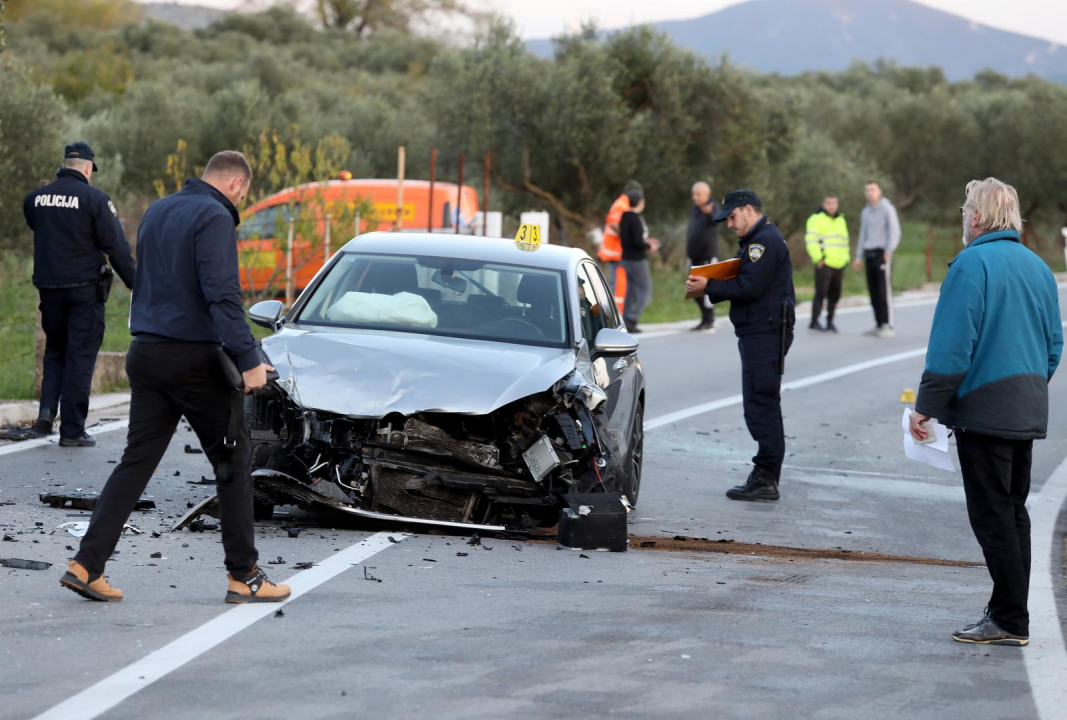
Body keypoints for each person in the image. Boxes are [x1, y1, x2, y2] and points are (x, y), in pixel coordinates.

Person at [61, 151, 290, 605]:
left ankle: (86, 565)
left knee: (136, 462)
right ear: (238, 184)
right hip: (194, 360)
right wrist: (249, 359)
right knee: (233, 462)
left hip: (145, 353)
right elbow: (222, 294)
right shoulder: (216, 215)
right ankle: (244, 575)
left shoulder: (158, 210)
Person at [910, 178, 1062, 647]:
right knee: (1014, 513)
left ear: (976, 217)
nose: (962, 218)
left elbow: (952, 350)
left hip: (985, 411)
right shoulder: (1039, 267)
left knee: (993, 516)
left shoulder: (971, 264)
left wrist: (925, 408)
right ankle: (1008, 610)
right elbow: (1054, 346)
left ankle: (1012, 619)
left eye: (964, 210)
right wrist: (1028, 387)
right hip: (1026, 406)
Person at [17, 142, 136, 447]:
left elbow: (39, 227)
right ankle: (72, 430)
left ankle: (45, 419)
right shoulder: (95, 200)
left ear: (64, 164)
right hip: (84, 291)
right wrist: (137, 282)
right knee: (80, 356)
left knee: (55, 352)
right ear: (87, 168)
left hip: (49, 290)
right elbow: (116, 248)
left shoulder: (36, 199)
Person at [686, 190, 795, 502]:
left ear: (749, 210)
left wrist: (710, 285)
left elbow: (750, 285)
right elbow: (748, 278)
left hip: (766, 331)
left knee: (762, 403)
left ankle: (766, 478)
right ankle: (764, 475)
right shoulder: (758, 240)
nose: (730, 225)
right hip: (759, 331)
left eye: (733, 217)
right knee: (758, 403)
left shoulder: (764, 242)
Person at [853, 181, 900, 338]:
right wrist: (858, 256)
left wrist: (888, 250)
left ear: (879, 191)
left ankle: (888, 324)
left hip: (882, 253)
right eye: (867, 190)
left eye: (873, 189)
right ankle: (879, 324)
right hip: (869, 253)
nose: (870, 193)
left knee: (883, 290)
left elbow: (894, 231)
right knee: (873, 291)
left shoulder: (887, 208)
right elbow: (863, 234)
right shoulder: (865, 212)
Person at [805, 194, 850, 333]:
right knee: (821, 292)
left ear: (837, 204)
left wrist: (846, 258)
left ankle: (830, 321)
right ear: (823, 204)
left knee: (835, 294)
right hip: (824, 262)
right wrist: (818, 258)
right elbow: (811, 240)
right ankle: (814, 321)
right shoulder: (815, 219)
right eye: (828, 203)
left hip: (839, 263)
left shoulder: (841, 219)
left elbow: (844, 240)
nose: (831, 206)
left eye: (834, 203)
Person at [618, 189, 660, 333]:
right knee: (645, 289)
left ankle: (626, 318)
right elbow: (637, 242)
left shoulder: (623, 217)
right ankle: (632, 319)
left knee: (631, 290)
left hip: (626, 258)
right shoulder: (635, 218)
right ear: (640, 202)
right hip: (637, 260)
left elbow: (630, 239)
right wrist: (649, 246)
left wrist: (646, 241)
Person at [687, 181, 721, 333]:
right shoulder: (695, 209)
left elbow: (717, 219)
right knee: (694, 290)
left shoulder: (712, 206)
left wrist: (709, 213)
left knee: (707, 290)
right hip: (695, 257)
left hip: (708, 256)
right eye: (693, 194)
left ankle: (710, 320)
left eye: (698, 194)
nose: (695, 197)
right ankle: (704, 319)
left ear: (707, 194)